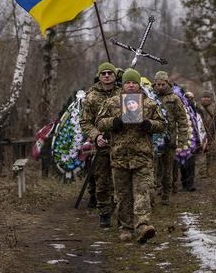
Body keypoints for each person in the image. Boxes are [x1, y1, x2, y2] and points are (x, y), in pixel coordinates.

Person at [97, 68, 165, 243]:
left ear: (138, 84)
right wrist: (114, 122)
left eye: (134, 82)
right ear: (123, 84)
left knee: (143, 192)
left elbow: (162, 125)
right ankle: (125, 228)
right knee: (123, 195)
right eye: (128, 82)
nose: (131, 85)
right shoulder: (112, 103)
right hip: (119, 157)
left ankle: (142, 226)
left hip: (142, 157)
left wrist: (148, 124)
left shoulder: (149, 104)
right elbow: (99, 123)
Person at [79, 62, 119, 228]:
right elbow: (85, 121)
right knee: (102, 181)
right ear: (99, 76)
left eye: (110, 73)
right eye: (104, 73)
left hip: (121, 145)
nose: (107, 76)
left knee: (119, 181)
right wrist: (96, 136)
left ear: (115, 76)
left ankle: (121, 212)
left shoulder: (124, 93)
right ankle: (104, 213)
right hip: (101, 145)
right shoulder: (91, 96)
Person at [152, 71, 189, 206]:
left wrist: (182, 141)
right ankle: (152, 195)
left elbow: (182, 120)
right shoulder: (150, 97)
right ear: (154, 83)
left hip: (170, 141)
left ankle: (166, 196)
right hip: (153, 141)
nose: (160, 86)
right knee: (153, 170)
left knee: (168, 171)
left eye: (163, 84)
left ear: (167, 83)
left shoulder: (174, 98)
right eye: (158, 84)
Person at [199, 91, 216, 177]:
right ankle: (203, 172)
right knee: (202, 152)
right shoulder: (198, 108)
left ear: (211, 98)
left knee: (210, 153)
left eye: (208, 97)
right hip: (200, 135)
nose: (206, 98)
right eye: (204, 97)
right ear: (201, 98)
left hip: (212, 134)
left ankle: (209, 171)